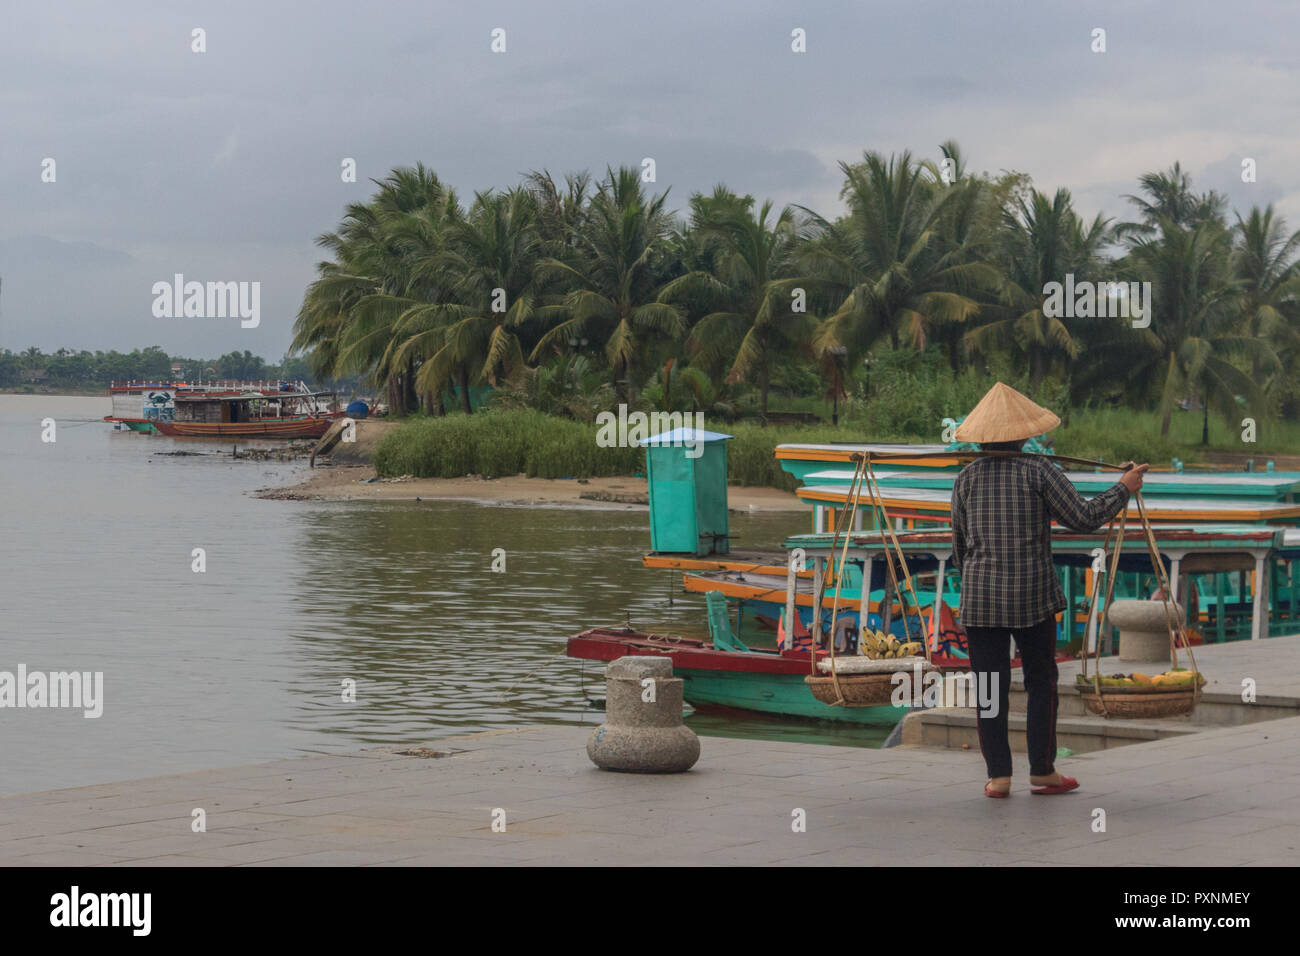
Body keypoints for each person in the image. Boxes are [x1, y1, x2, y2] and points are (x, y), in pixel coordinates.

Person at [949, 383, 1147, 798]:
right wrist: (1124, 487)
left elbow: (960, 545)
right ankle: (1042, 769)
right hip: (1031, 596)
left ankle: (998, 776)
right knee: (1041, 681)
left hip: (980, 597)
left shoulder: (965, 478)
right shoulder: (1038, 471)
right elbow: (1084, 517)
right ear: (1023, 436)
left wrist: (977, 576)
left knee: (989, 685)